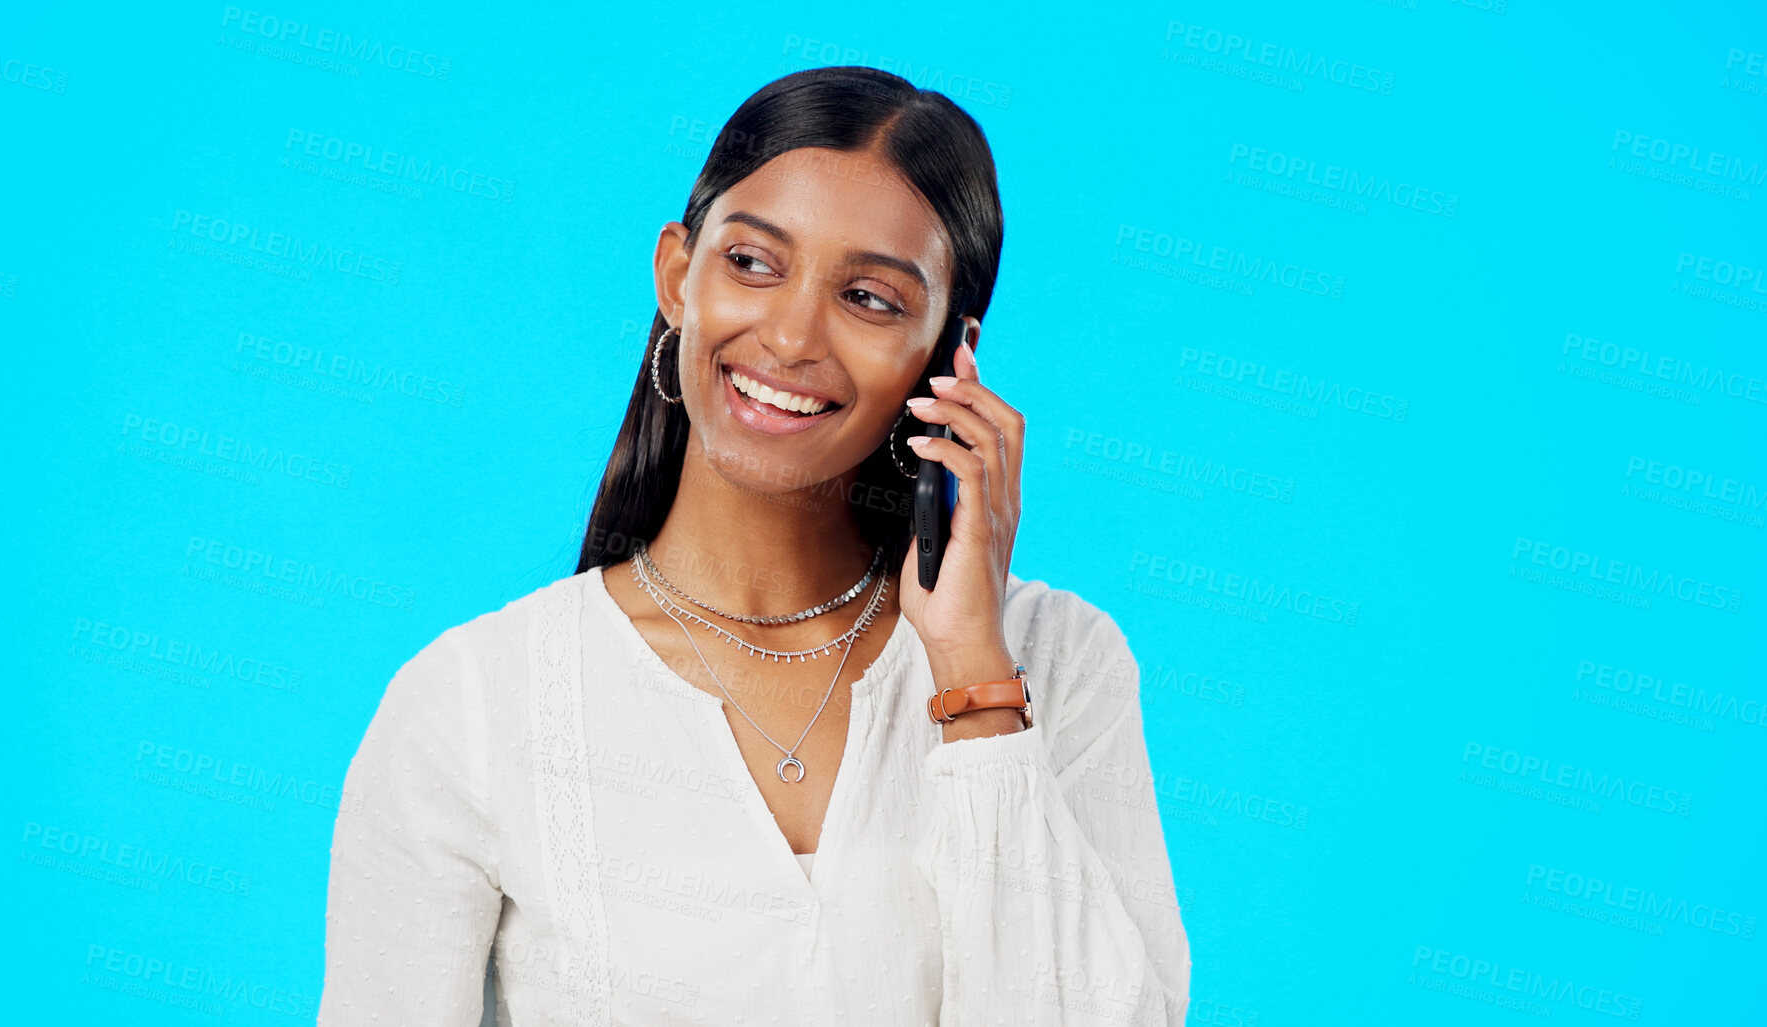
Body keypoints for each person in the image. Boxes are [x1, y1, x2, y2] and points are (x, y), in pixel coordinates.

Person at [319, 65, 1191, 1026]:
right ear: (675, 276)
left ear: (950, 354)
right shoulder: (474, 701)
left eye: (868, 297)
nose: (789, 336)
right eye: (752, 263)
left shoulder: (1059, 664)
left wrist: (972, 676)